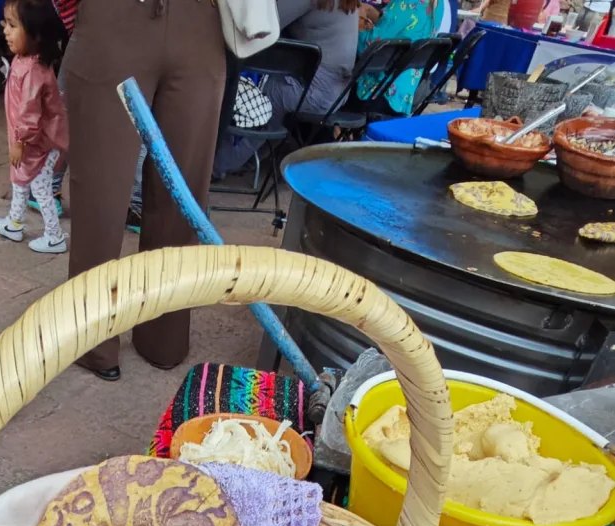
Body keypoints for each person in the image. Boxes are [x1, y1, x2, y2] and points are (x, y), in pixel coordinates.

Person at [63, 0, 227, 383]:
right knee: (102, 195)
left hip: (203, 21)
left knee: (183, 192)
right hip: (112, 17)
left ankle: (164, 333)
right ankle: (93, 337)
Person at [213, 0, 361, 178]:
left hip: (314, 91)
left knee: (259, 97)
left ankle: (216, 167)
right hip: (338, 92)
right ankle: (249, 161)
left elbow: (265, 25)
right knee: (271, 91)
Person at [0, 0, 69, 255]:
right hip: (31, 141)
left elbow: (30, 114)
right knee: (20, 181)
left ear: (36, 34)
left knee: (40, 188)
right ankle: (14, 223)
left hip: (38, 143)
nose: (6, 31)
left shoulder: (33, 70)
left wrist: (20, 142)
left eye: (13, 25)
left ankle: (54, 236)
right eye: (5, 24)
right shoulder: (25, 61)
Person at [356, 0, 440, 115]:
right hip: (405, 93)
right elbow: (403, 29)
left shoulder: (405, 3)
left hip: (378, 91)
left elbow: (367, 47)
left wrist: (358, 25)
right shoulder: (438, 5)